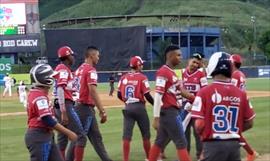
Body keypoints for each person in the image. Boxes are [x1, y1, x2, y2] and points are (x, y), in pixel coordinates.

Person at [191, 52, 256, 161]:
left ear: (213, 66)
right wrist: (230, 130)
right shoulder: (242, 94)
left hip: (213, 145)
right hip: (234, 146)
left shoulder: (203, 92)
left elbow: (199, 125)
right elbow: (250, 122)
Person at [148, 45, 195, 161]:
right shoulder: (163, 72)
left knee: (159, 141)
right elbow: (158, 95)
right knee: (181, 141)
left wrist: (197, 99)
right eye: (178, 55)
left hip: (172, 112)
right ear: (170, 56)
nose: (181, 57)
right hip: (169, 112)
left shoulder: (172, 73)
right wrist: (156, 118)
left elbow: (182, 91)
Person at [25, 63, 78, 161]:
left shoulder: (37, 93)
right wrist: (68, 132)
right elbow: (47, 119)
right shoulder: (39, 96)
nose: (55, 79)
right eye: (52, 76)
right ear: (45, 79)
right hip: (39, 136)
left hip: (45, 134)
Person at [74, 46, 112, 161]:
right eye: (97, 55)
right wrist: (102, 110)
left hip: (78, 106)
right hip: (85, 108)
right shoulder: (90, 70)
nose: (98, 58)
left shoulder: (79, 69)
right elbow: (93, 91)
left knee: (96, 137)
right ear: (91, 56)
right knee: (80, 139)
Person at [117, 56, 154, 161]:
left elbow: (119, 95)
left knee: (126, 136)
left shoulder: (123, 77)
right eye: (141, 64)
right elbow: (147, 96)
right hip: (139, 107)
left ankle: (126, 159)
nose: (142, 66)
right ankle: (148, 158)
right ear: (138, 65)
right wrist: (156, 105)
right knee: (146, 135)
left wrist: (127, 102)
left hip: (128, 107)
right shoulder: (142, 77)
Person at [53, 46, 85, 160]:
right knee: (80, 136)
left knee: (62, 138)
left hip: (58, 104)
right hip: (65, 105)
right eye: (72, 55)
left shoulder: (60, 68)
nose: (73, 58)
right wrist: (63, 111)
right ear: (67, 56)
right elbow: (61, 89)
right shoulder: (63, 69)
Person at [230, 54, 258, 161]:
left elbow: (233, 91)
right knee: (234, 131)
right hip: (243, 103)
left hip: (237, 104)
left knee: (233, 131)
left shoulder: (235, 75)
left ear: (232, 63)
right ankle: (250, 153)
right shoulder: (240, 73)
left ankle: (251, 153)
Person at [181, 53, 208, 160]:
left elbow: (205, 91)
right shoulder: (182, 73)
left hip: (196, 107)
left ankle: (199, 155)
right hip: (184, 107)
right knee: (184, 132)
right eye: (193, 61)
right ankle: (185, 155)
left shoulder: (201, 75)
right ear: (189, 60)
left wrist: (194, 102)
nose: (195, 64)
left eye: (197, 63)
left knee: (197, 132)